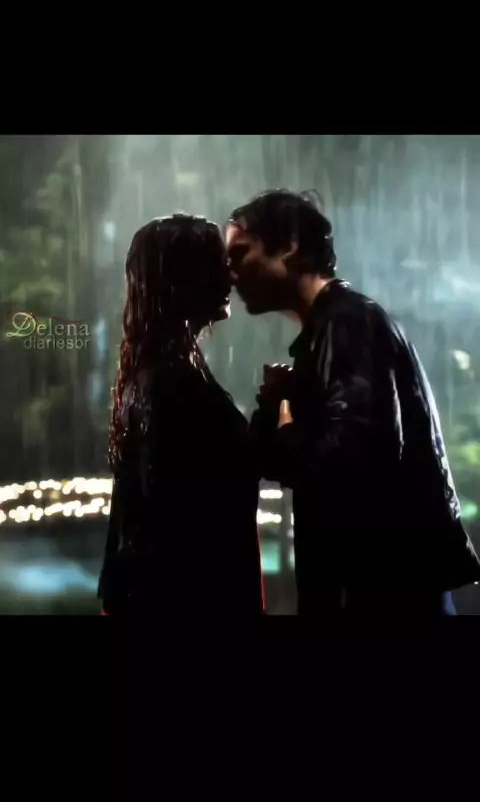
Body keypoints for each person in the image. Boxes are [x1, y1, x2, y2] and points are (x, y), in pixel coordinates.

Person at [225, 188, 480, 617]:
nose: (231, 272)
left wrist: (286, 418)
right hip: (373, 583)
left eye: (240, 253)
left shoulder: (350, 324)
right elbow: (280, 463)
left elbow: (346, 462)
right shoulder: (329, 331)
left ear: (290, 246)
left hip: (386, 590)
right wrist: (277, 405)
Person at [98, 214, 264, 615]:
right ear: (181, 280)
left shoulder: (162, 373)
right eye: (216, 264)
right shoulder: (168, 384)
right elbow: (178, 517)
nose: (230, 277)